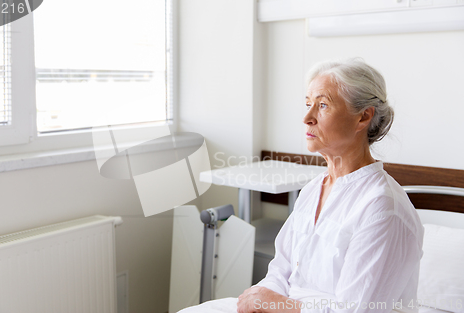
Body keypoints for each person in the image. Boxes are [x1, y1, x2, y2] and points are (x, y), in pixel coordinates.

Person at [179, 58, 424, 313]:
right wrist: (261, 302)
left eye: (323, 105)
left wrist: (272, 303)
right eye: (308, 105)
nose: (307, 118)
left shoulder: (383, 207)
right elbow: (280, 270)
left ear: (363, 117)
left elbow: (353, 311)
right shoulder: (313, 189)